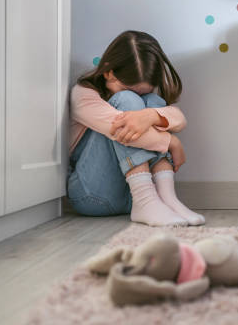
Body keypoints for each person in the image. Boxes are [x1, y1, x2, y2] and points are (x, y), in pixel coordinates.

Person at [67, 30, 204, 227]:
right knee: (127, 102)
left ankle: (167, 197)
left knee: (153, 102)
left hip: (130, 196)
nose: (136, 97)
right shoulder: (83, 95)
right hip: (92, 195)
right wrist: (171, 141)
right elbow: (122, 129)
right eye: (128, 87)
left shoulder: (144, 97)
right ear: (108, 72)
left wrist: (151, 115)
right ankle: (146, 200)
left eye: (143, 90)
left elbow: (179, 118)